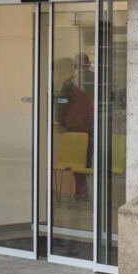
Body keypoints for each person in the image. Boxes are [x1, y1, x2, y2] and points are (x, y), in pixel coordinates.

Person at [57, 52, 95, 200]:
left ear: (75, 66)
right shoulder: (98, 79)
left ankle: (81, 190)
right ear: (89, 64)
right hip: (91, 125)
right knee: (87, 158)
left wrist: (61, 121)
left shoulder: (69, 83)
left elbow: (62, 104)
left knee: (76, 159)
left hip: (74, 126)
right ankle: (88, 190)